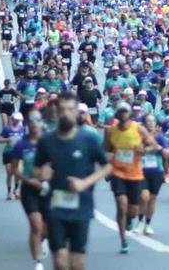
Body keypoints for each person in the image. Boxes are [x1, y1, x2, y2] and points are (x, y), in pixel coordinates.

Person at [35, 91, 111, 270]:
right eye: (62, 109)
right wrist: (42, 173)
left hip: (81, 208)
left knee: (77, 263)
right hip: (55, 208)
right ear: (56, 111)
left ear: (77, 112)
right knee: (60, 261)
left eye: (70, 109)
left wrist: (85, 183)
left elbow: (107, 166)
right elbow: (37, 169)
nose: (66, 113)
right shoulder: (47, 141)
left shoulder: (89, 139)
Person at [104, 100, 159, 253]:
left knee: (133, 210)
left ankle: (130, 220)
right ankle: (123, 240)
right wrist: (108, 164)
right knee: (121, 205)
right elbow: (106, 150)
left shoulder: (139, 129)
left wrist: (144, 150)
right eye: (120, 112)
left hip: (134, 174)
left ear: (129, 114)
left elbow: (153, 145)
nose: (122, 115)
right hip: (118, 172)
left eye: (125, 112)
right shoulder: (110, 131)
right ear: (117, 114)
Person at [11, 110, 48, 270]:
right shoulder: (21, 144)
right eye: (31, 121)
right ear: (28, 125)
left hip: (47, 188)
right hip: (29, 189)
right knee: (35, 224)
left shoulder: (49, 142)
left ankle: (42, 240)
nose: (34, 124)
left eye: (37, 120)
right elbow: (15, 169)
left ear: (41, 123)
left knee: (47, 227)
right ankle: (38, 261)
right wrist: (28, 181)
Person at [139, 113, 169, 236]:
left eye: (153, 121)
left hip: (156, 171)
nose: (151, 123)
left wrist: (159, 148)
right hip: (140, 171)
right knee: (144, 197)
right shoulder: (139, 136)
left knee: (152, 199)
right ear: (144, 123)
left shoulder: (160, 137)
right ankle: (140, 222)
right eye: (148, 121)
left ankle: (147, 224)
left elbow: (168, 154)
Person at [0, 112, 26, 200]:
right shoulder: (7, 129)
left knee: (19, 171)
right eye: (16, 119)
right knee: (9, 172)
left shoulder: (23, 129)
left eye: (19, 120)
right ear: (12, 119)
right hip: (8, 153)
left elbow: (28, 140)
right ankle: (9, 192)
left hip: (19, 154)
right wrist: (7, 139)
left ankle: (17, 189)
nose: (17, 121)